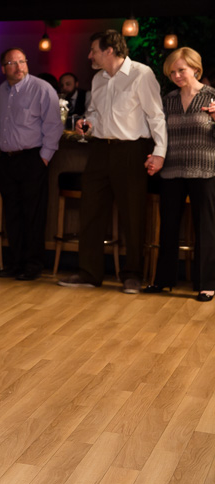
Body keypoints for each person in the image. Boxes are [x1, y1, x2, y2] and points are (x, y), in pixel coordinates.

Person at [58, 30, 167, 294]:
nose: (89, 56)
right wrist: (87, 122)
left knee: (132, 214)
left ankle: (132, 274)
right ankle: (89, 272)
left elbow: (156, 116)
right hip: (99, 150)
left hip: (131, 151)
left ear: (109, 50)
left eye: (93, 50)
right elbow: (94, 112)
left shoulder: (142, 74)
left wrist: (160, 151)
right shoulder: (98, 79)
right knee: (91, 211)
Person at [143, 48, 215, 302]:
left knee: (205, 228)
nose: (176, 75)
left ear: (195, 68)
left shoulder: (212, 97)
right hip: (172, 170)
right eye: (172, 72)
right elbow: (159, 134)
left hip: (205, 170)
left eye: (181, 70)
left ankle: (206, 283)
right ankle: (163, 280)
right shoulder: (168, 99)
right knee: (169, 227)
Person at [0, 48, 63, 281]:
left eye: (22, 61)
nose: (19, 67)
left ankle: (33, 265)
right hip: (7, 160)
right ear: (3, 68)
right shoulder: (3, 91)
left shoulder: (42, 89)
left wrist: (43, 157)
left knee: (32, 215)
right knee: (12, 214)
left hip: (32, 159)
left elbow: (54, 126)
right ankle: (16, 263)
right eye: (13, 63)